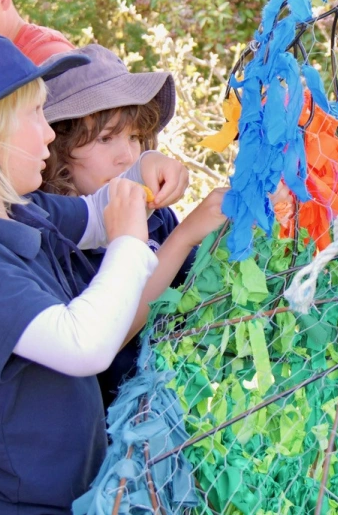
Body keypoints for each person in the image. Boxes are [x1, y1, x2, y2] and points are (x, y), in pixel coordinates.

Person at [0, 34, 222, 514]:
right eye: (36, 115)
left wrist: (144, 165)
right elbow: (84, 344)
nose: (48, 133)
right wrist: (127, 242)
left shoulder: (14, 210)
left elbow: (95, 211)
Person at [39, 43, 210, 407]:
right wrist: (183, 237)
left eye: (134, 137)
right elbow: (108, 334)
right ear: (56, 150)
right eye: (105, 139)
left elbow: (198, 289)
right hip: (111, 441)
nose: (127, 155)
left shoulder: (156, 214)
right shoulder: (54, 239)